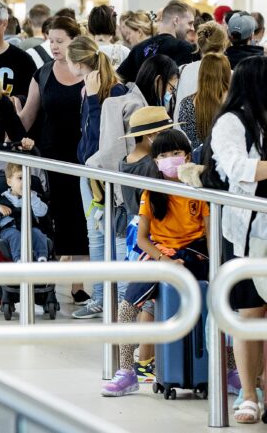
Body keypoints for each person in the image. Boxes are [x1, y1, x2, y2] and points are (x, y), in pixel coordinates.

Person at [101, 128, 209, 398]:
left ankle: (229, 369)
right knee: (127, 308)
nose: (171, 159)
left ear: (187, 156)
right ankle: (127, 372)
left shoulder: (199, 189)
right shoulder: (152, 192)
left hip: (195, 251)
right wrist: (164, 259)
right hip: (159, 253)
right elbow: (143, 239)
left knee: (222, 300)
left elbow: (209, 235)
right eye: (164, 155)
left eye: (177, 153)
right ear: (156, 161)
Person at [207, 56, 267, 423]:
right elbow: (237, 169)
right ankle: (248, 395)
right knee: (249, 315)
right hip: (246, 232)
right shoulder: (231, 122)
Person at [16, 16, 89, 293]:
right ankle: (54, 270)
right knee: (54, 216)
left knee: (80, 218)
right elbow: (27, 116)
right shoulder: (43, 73)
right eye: (51, 41)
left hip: (81, 156)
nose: (55, 47)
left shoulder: (88, 72)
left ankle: (78, 283)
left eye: (60, 41)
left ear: (74, 41)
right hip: (50, 155)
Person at [66, 36, 127, 318]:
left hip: (106, 176)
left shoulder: (113, 92)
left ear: (78, 64)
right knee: (95, 237)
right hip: (88, 174)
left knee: (113, 237)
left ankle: (122, 301)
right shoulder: (88, 90)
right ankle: (101, 297)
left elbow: (98, 140)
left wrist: (91, 100)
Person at [117, 0, 195, 83]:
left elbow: (118, 78)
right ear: (176, 21)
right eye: (190, 23)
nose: (192, 28)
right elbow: (180, 86)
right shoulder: (183, 48)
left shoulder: (138, 48)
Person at [0, 162, 49, 262]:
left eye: (28, 178)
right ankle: (19, 259)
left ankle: (42, 257)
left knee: (38, 233)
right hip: (9, 230)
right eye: (20, 178)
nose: (25, 181)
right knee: (15, 235)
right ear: (9, 182)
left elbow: (42, 212)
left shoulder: (33, 196)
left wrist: (33, 199)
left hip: (29, 228)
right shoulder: (2, 199)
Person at [177, 53, 231, 150]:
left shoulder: (186, 104)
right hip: (229, 156)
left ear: (201, 73)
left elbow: (186, 129)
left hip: (199, 158)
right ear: (227, 73)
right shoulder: (236, 101)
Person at [174, 20, 228, 109]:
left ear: (199, 44)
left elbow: (178, 111)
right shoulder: (231, 75)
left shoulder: (183, 71)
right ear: (224, 44)